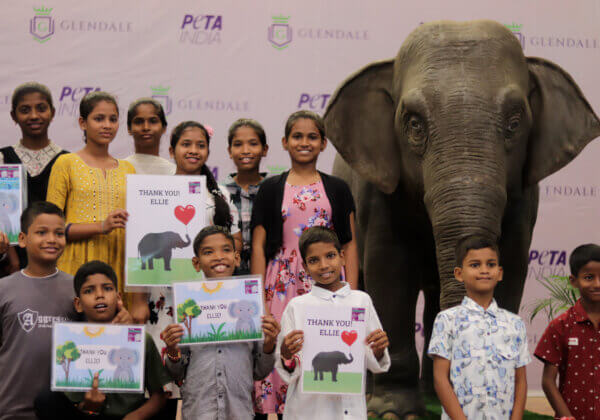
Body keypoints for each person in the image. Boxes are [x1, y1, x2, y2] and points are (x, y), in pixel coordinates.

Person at [250, 110, 358, 416]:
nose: (304, 142)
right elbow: (258, 247)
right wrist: (258, 299)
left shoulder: (338, 188)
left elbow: (349, 244)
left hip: (327, 284)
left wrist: (353, 296)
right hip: (280, 287)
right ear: (285, 142)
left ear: (324, 143)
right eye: (297, 136)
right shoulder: (270, 188)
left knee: (320, 358)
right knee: (284, 356)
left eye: (313, 137)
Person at [0, 202, 131, 420]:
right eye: (41, 232)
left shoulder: (80, 291)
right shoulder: (3, 289)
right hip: (11, 410)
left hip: (66, 410)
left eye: (59, 233)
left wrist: (121, 320)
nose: (51, 239)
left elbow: (101, 339)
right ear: (22, 239)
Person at [144, 121, 243, 410]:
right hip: (161, 296)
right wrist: (138, 299)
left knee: (203, 374)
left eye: (200, 145)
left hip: (207, 298)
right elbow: (140, 244)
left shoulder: (220, 195)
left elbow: (235, 245)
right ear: (172, 149)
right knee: (162, 380)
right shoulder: (153, 191)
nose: (193, 150)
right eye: (186, 144)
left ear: (208, 151)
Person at [160, 225, 280, 419]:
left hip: (239, 411)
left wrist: (269, 344)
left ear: (237, 257)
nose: (219, 257)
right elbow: (177, 373)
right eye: (209, 252)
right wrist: (172, 351)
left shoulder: (251, 303)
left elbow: (260, 372)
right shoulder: (188, 304)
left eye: (226, 250)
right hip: (199, 411)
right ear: (196, 263)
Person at [46, 92, 144, 315]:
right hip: (74, 265)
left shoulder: (128, 169)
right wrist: (101, 226)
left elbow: (139, 231)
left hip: (118, 266)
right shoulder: (66, 163)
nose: (107, 125)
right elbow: (51, 227)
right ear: (82, 122)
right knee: (73, 339)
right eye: (99, 119)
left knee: (114, 343)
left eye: (113, 119)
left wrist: (139, 295)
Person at [276, 226, 390, 420]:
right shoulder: (297, 307)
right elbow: (289, 367)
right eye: (314, 260)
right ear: (305, 266)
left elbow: (374, 362)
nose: (323, 265)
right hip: (308, 412)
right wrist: (286, 354)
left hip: (351, 411)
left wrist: (378, 349)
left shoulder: (361, 301)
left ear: (343, 257)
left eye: (330, 256)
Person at [34, 260, 169, 420]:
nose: (99, 295)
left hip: (128, 415)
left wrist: (134, 417)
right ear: (78, 304)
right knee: (45, 399)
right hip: (84, 413)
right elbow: (66, 403)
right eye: (89, 290)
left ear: (118, 297)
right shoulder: (70, 342)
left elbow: (159, 396)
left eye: (107, 288)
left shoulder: (139, 339)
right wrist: (89, 407)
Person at [428, 235, 530, 419]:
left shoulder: (515, 323)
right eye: (475, 265)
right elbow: (440, 379)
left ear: (499, 273)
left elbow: (521, 381)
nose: (484, 270)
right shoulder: (447, 320)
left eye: (490, 264)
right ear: (459, 274)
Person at [1, 82, 68, 271]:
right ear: (14, 116)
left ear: (52, 113)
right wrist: (12, 258)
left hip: (58, 258)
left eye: (41, 108)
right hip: (11, 261)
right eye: (25, 110)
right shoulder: (3, 159)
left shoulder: (68, 160)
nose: (34, 116)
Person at [534, 243, 600, 420]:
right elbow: (548, 381)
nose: (597, 284)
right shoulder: (561, 325)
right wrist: (566, 416)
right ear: (573, 281)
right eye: (589, 277)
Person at [223, 118, 269, 274]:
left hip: (268, 274)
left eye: (253, 144)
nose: (245, 150)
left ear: (265, 149)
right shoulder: (219, 192)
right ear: (229, 151)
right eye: (238, 144)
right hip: (229, 276)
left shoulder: (275, 190)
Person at [124, 97, 175, 175]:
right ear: (129, 129)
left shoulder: (174, 172)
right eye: (138, 122)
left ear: (164, 128)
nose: (146, 127)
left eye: (153, 121)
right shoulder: (118, 170)